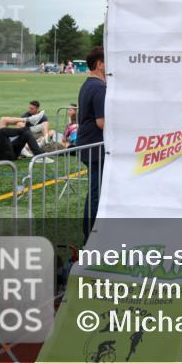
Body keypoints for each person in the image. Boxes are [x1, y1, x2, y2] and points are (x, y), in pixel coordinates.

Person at [77, 46, 107, 238]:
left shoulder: (89, 84)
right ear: (100, 64)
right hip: (95, 147)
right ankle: (91, 235)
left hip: (89, 145)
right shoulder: (99, 87)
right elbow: (102, 122)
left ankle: (92, 233)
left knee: (96, 191)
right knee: (97, 193)